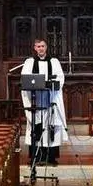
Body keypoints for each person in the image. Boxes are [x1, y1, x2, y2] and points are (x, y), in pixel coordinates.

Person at [21, 37, 68, 166]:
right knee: (36, 126)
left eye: (42, 46)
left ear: (46, 47)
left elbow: (60, 78)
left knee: (51, 126)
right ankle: (35, 157)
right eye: (38, 46)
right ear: (35, 48)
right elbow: (25, 79)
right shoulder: (29, 62)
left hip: (50, 98)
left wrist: (49, 84)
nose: (41, 49)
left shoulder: (54, 61)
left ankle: (51, 157)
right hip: (35, 100)